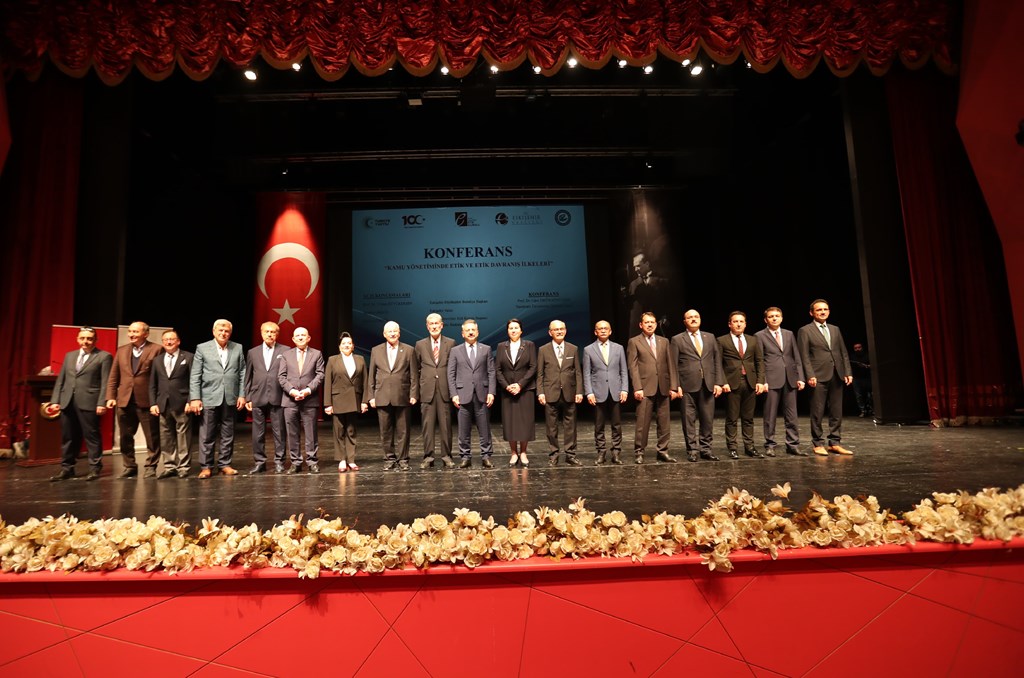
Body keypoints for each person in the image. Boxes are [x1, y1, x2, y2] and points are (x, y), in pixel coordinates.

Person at [48, 326, 113, 481]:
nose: (86, 341)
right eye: (82, 338)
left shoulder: (104, 356)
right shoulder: (70, 356)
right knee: (68, 436)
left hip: (90, 401)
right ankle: (67, 468)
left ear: (95, 340)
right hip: (67, 401)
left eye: (89, 338)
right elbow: (61, 379)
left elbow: (106, 382)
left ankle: (94, 468)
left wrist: (102, 402)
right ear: (77, 339)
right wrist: (55, 400)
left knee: (91, 436)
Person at [188, 319, 246, 478]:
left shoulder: (237, 347)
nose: (223, 333)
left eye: (226, 331)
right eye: (220, 330)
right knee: (207, 433)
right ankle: (206, 466)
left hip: (230, 396)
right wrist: (195, 398)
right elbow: (195, 375)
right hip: (209, 396)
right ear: (214, 331)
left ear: (230, 333)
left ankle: (225, 464)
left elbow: (242, 373)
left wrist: (242, 394)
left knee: (228, 433)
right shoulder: (202, 348)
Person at [105, 321, 162, 478]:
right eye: (130, 331)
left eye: (135, 332)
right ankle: (129, 465)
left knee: (152, 436)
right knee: (125, 436)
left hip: (147, 400)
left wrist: (157, 400)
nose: (131, 334)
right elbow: (113, 376)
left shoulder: (157, 349)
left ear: (146, 334)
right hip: (125, 400)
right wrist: (110, 396)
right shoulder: (122, 350)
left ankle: (151, 466)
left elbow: (160, 377)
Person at [797, 299, 854, 456]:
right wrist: (809, 374)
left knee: (836, 410)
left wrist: (847, 372)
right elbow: (804, 355)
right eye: (819, 310)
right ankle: (818, 443)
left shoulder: (835, 329)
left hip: (837, 373)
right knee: (817, 411)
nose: (822, 312)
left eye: (825, 309)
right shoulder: (805, 330)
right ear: (812, 313)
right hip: (818, 375)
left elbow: (843, 352)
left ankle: (835, 442)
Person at [670, 309, 724, 462]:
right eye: (690, 317)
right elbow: (673, 364)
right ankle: (692, 450)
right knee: (688, 420)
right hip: (687, 385)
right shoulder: (677, 339)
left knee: (707, 419)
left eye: (696, 317)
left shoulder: (710, 337)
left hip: (708, 384)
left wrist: (718, 382)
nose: (693, 319)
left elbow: (717, 360)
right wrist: (675, 385)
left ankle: (706, 450)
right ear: (685, 321)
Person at [626, 311, 678, 464]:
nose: (650, 325)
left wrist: (674, 386)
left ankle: (663, 451)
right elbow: (633, 366)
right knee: (642, 422)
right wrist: (637, 387)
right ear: (640, 325)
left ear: (656, 324)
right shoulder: (634, 341)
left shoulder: (664, 341)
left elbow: (671, 364)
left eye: (652, 322)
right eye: (646, 322)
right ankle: (639, 452)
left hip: (663, 386)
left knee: (664, 422)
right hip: (645, 387)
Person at [755, 307, 807, 457]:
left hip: (790, 378)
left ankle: (793, 444)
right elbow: (759, 360)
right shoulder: (759, 335)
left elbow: (796, 357)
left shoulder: (788, 334)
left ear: (782, 318)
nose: (774, 318)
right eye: (771, 316)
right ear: (766, 320)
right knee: (770, 414)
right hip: (771, 379)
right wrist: (763, 380)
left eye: (777, 316)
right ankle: (770, 444)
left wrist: (800, 377)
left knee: (792, 414)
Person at [367, 321, 418, 471]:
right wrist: (371, 396)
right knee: (385, 431)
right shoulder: (376, 350)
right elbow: (371, 375)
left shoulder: (409, 350)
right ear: (384, 334)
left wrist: (414, 394)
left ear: (399, 333)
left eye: (395, 331)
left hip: (402, 395)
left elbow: (414, 375)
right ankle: (389, 458)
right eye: (389, 331)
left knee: (404, 431)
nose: (392, 333)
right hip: (382, 396)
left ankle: (403, 459)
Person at [716, 311, 767, 459]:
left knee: (748, 417)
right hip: (732, 383)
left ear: (745, 324)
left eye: (741, 321)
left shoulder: (753, 340)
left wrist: (760, 381)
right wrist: (723, 381)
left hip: (750, 382)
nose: (738, 324)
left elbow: (759, 361)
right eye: (735, 321)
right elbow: (718, 363)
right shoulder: (722, 340)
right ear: (729, 324)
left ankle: (749, 447)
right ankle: (732, 447)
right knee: (732, 418)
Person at [446, 319, 496, 468]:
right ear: (462, 333)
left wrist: (491, 392)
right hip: (462, 395)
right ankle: (465, 457)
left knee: (484, 428)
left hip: (482, 394)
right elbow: (451, 373)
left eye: (473, 330)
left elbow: (491, 372)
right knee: (463, 429)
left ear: (477, 332)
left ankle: (486, 456)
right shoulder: (455, 350)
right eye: (467, 330)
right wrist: (454, 394)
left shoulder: (486, 349)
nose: (470, 332)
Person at [277, 326, 325, 473]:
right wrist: (292, 391)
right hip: (290, 400)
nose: (300, 337)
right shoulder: (286, 355)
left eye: (303, 335)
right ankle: (296, 462)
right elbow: (281, 377)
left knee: (311, 432)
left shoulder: (316, 354)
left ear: (308, 338)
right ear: (293, 339)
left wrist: (307, 390)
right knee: (292, 432)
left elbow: (320, 374)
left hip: (309, 399)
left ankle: (312, 461)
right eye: (297, 335)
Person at [536, 319, 583, 466]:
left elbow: (578, 372)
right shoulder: (543, 350)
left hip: (570, 392)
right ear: (550, 332)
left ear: (566, 330)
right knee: (551, 427)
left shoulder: (573, 348)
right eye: (556, 329)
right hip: (550, 392)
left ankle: (570, 454)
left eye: (562, 329)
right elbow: (540, 374)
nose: (559, 331)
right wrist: (540, 392)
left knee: (570, 426)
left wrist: (579, 391)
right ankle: (554, 454)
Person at [149, 329, 195, 478]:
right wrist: (153, 403)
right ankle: (169, 466)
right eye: (166, 340)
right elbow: (152, 384)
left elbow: (194, 381)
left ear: (178, 341)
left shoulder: (188, 357)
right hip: (163, 403)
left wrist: (191, 400)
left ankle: (183, 467)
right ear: (162, 342)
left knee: (183, 436)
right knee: (166, 436)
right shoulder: (157, 360)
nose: (169, 342)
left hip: (182, 403)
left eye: (172, 339)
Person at [582, 320, 629, 465]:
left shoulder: (618, 348)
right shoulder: (588, 349)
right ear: (595, 332)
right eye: (600, 328)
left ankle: (616, 452)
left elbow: (623, 370)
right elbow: (586, 373)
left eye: (605, 328)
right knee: (599, 425)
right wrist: (589, 392)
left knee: (616, 424)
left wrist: (624, 389)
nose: (603, 330)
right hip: (598, 392)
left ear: (610, 331)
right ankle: (601, 452)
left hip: (615, 390)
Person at [244, 321, 288, 474]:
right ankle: (259, 462)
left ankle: (279, 461)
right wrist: (248, 397)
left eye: (273, 332)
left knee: (279, 431)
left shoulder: (285, 350)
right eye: (267, 331)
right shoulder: (252, 352)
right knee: (258, 433)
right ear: (261, 333)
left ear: (277, 334)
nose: (270, 334)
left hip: (278, 396)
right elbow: (248, 376)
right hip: (258, 395)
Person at [414, 313, 456, 469]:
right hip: (427, 391)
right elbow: (416, 369)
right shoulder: (420, 345)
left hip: (445, 390)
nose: (434, 326)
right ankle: (428, 457)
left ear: (442, 325)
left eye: (436, 323)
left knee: (446, 426)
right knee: (427, 426)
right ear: (427, 326)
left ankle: (447, 456)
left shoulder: (451, 343)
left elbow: (454, 368)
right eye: (431, 324)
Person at [495, 318, 537, 467]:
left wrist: (520, 385)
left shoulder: (529, 345)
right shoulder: (501, 346)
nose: (513, 330)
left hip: (525, 389)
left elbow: (533, 367)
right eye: (511, 328)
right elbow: (498, 369)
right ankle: (513, 453)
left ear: (521, 330)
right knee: (510, 422)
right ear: (507, 331)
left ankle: (523, 452)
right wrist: (507, 386)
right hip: (508, 391)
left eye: (516, 328)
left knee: (525, 422)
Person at [324, 332, 368, 472]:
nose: (347, 345)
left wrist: (364, 401)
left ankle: (351, 459)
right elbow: (327, 382)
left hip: (354, 399)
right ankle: (342, 459)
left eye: (349, 343)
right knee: (339, 431)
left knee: (351, 430)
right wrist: (327, 404)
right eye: (344, 343)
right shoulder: (332, 360)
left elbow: (365, 382)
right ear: (339, 346)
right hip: (337, 400)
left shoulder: (360, 359)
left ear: (353, 346)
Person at [625, 250, 670, 334]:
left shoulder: (662, 281)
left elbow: (668, 302)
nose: (636, 269)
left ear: (647, 264)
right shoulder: (633, 285)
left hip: (658, 328)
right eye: (634, 267)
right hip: (638, 331)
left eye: (638, 266)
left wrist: (665, 318)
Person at [851, 342, 873, 417]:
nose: (857, 349)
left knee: (870, 395)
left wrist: (867, 366)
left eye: (859, 347)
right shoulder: (852, 357)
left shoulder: (868, 355)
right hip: (857, 378)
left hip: (867, 378)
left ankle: (871, 410)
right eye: (855, 348)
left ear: (862, 348)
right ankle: (863, 410)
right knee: (859, 396)